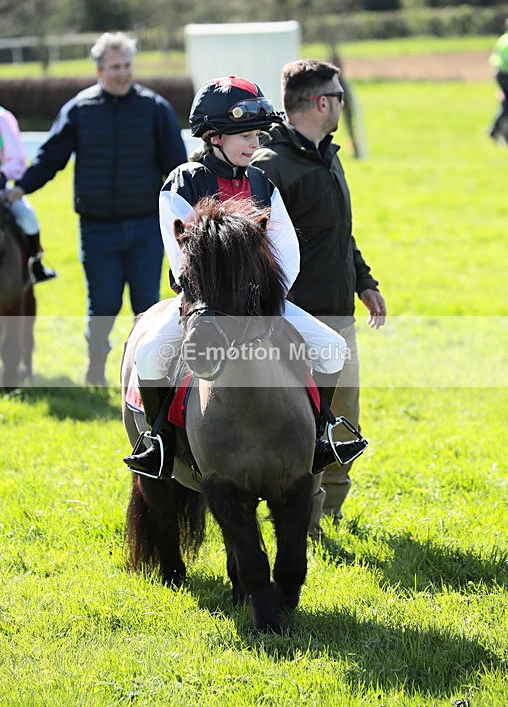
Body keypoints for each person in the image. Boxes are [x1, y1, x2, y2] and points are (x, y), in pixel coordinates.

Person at [123, 75, 367, 479]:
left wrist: (268, 296)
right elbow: (182, 254)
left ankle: (323, 432)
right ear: (215, 136)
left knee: (332, 346)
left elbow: (287, 248)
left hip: (260, 301)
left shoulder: (261, 181)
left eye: (257, 135)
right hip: (201, 304)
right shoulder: (183, 180)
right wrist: (218, 298)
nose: (256, 145)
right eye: (246, 137)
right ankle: (159, 441)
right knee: (149, 354)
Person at [250, 59, 387, 533]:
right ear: (322, 102)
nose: (343, 104)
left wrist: (363, 281)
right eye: (340, 96)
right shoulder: (269, 167)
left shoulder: (329, 155)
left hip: (339, 318)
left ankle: (329, 512)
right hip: (290, 324)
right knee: (293, 426)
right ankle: (297, 516)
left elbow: (340, 232)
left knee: (342, 422)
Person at [7, 32, 187, 385]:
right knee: (102, 306)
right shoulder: (79, 110)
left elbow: (177, 169)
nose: (123, 73)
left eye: (127, 65)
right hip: (97, 229)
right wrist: (20, 189)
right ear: (99, 69)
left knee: (146, 306)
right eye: (115, 66)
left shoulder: (154, 109)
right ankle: (95, 368)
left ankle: (142, 378)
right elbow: (50, 158)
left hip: (145, 227)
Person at [0, 61, 56, 284]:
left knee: (28, 217)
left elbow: (16, 159)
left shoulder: (1, 118)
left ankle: (35, 263)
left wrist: (3, 178)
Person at [488, 15, 508, 140]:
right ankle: (499, 133)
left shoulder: (507, 38)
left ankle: (499, 133)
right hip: (505, 74)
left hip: (503, 74)